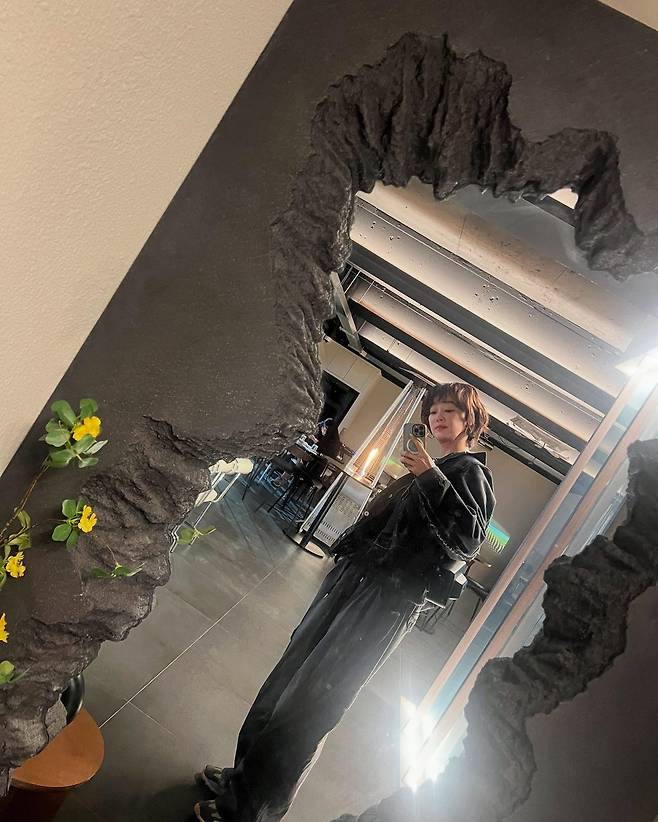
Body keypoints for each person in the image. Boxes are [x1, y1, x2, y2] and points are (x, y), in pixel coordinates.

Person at [193, 382, 495, 822]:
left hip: (385, 599)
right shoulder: (439, 467)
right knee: (288, 678)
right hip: (358, 579)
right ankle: (244, 779)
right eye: (433, 411)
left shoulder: (470, 473)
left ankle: (250, 808)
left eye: (449, 411)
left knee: (313, 700)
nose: (437, 418)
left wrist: (430, 477)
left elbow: (468, 539)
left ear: (470, 420)